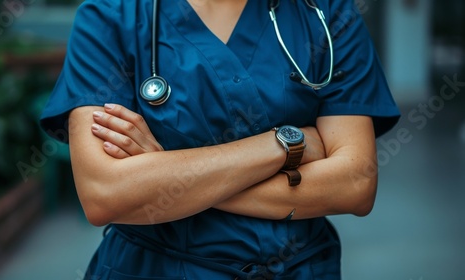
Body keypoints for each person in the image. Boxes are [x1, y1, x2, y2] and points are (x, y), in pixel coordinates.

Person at [40, 0, 400, 278]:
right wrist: (283, 145)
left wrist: (167, 175)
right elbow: (104, 194)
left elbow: (354, 184)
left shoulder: (325, 11)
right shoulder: (110, 16)